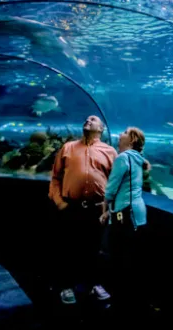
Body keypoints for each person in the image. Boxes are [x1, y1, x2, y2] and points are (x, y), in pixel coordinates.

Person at [48, 115, 117, 305]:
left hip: (97, 209)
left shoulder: (110, 152)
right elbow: (55, 178)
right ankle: (66, 286)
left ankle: (93, 284)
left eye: (93, 119)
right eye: (86, 119)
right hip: (71, 206)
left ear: (101, 129)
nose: (88, 119)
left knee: (94, 249)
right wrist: (59, 202)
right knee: (67, 248)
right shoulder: (68, 148)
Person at [99, 127, 148, 310]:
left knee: (119, 258)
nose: (120, 135)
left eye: (125, 133)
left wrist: (104, 208)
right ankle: (133, 301)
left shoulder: (123, 158)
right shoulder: (138, 159)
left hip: (125, 215)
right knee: (134, 258)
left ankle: (120, 302)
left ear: (132, 140)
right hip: (139, 215)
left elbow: (111, 188)